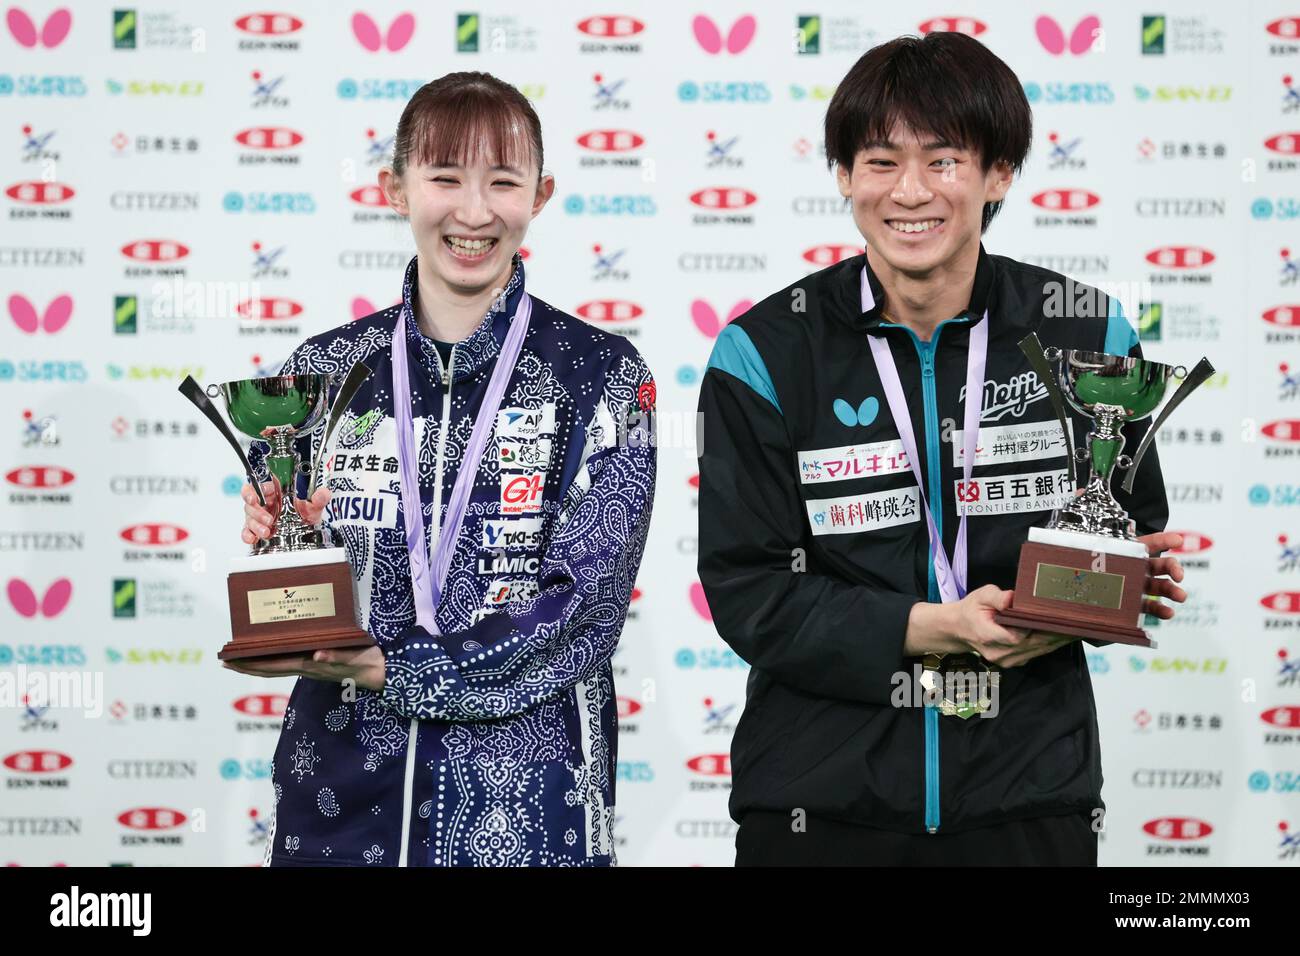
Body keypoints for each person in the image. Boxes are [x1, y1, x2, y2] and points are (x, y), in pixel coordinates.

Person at [696, 32, 1187, 866]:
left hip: (1027, 797)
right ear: (845, 176)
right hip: (819, 804)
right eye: (880, 162)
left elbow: (1123, 528)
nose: (910, 192)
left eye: (944, 159)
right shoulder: (766, 349)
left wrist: (1108, 593)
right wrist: (934, 627)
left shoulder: (1084, 327)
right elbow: (749, 590)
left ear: (999, 173)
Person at [228, 71, 657, 867]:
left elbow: (583, 614)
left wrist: (394, 666)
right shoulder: (323, 371)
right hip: (338, 795)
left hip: (529, 810)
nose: (473, 210)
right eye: (444, 177)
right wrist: (280, 538)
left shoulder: (604, 377)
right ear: (395, 189)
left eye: (502, 180)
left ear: (542, 193)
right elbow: (290, 575)